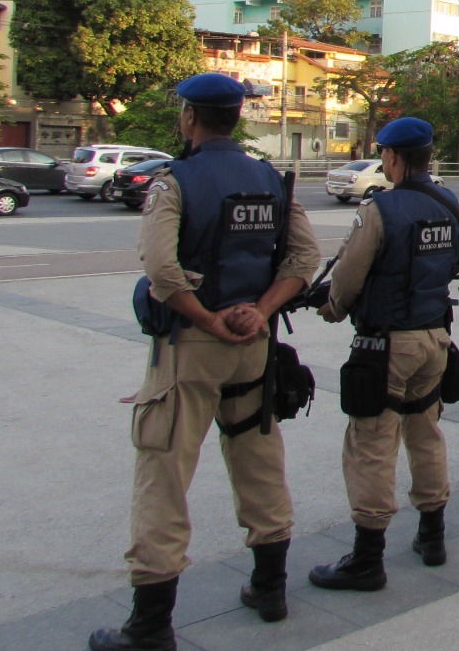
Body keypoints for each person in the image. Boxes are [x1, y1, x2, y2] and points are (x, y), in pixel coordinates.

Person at [91, 74, 321, 651]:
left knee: (164, 473)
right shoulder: (271, 178)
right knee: (259, 461)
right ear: (235, 117)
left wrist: (211, 319)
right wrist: (260, 312)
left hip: (192, 349)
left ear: (191, 117)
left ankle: (149, 625)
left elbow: (162, 272)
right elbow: (304, 258)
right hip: (255, 347)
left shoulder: (176, 182)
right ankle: (270, 589)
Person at [309, 117, 459, 594]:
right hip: (435, 338)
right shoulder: (448, 203)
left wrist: (335, 308)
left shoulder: (380, 209)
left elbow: (348, 275)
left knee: (373, 443)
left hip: (386, 345)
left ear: (394, 158)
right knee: (426, 433)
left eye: (384, 155)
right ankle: (432, 534)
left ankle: (367, 557)